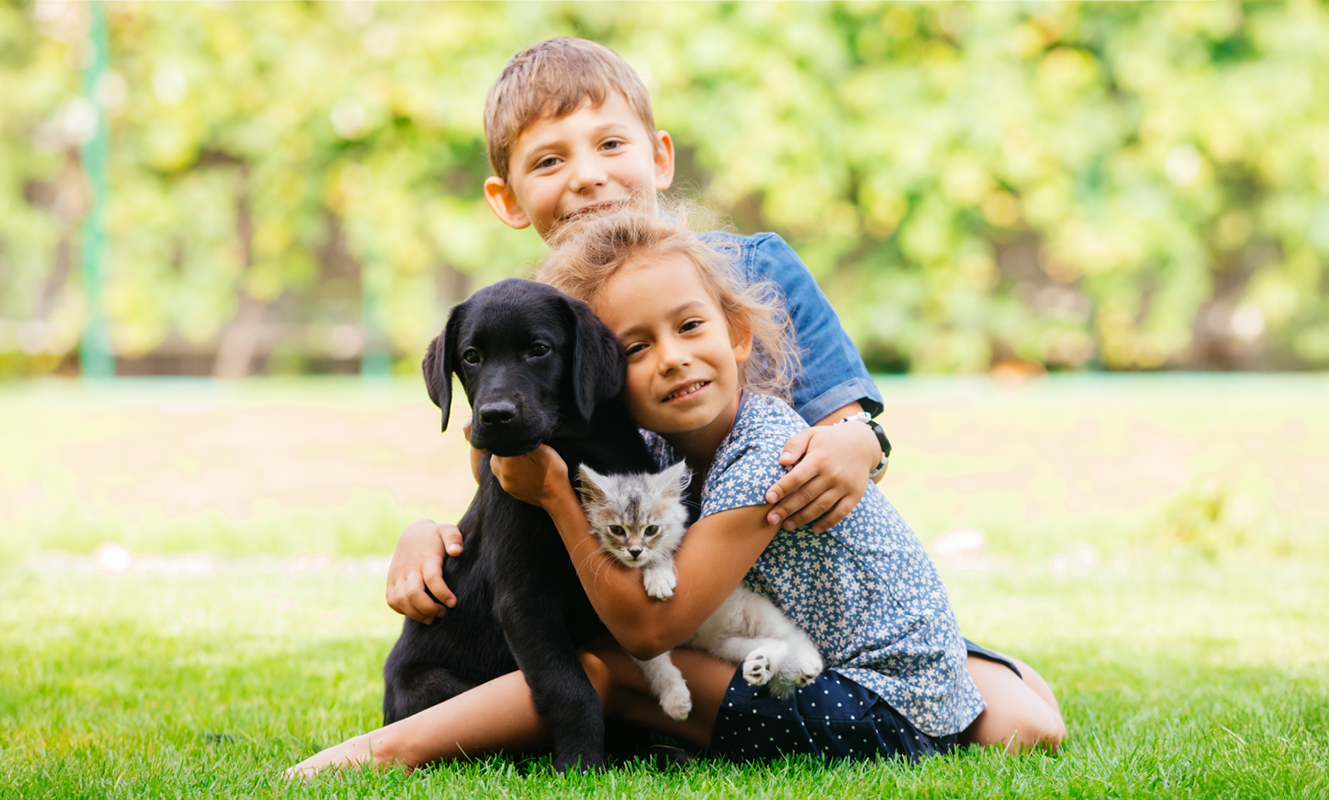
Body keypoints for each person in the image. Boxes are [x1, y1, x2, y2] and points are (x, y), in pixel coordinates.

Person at [383, 37, 1065, 755]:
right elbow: (510, 478)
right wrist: (429, 534)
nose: (588, 178)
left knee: (1032, 723)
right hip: (668, 597)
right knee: (621, 665)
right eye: (550, 160)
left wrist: (858, 441)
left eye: (611, 143)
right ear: (507, 199)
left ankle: (946, 667)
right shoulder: (544, 319)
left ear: (659, 157)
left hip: (797, 592)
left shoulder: (752, 267)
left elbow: (851, 424)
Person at [287, 211, 1064, 777]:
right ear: (602, 372)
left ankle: (382, 752)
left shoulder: (768, 449)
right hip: (810, 659)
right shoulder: (657, 452)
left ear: (736, 336)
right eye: (636, 346)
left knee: (606, 665)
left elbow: (651, 626)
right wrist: (430, 526)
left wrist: (559, 495)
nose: (671, 360)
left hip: (862, 697)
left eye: (691, 327)